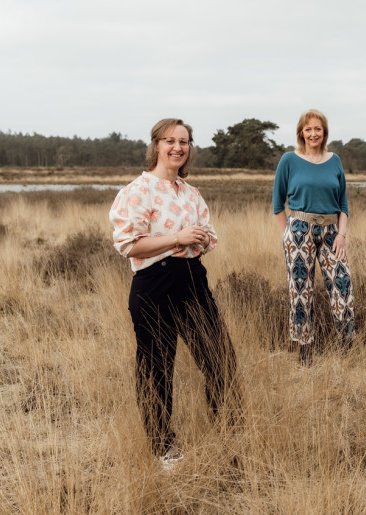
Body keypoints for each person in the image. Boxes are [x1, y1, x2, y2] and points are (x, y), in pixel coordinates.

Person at [110, 118, 240, 470]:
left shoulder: (191, 192)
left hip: (193, 279)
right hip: (154, 283)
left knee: (220, 360)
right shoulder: (139, 191)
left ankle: (231, 438)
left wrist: (197, 238)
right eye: (170, 141)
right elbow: (128, 244)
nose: (178, 148)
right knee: (156, 368)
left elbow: (209, 236)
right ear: (156, 145)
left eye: (184, 142)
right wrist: (178, 239)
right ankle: (163, 449)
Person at [272, 109, 355, 366]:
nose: (313, 133)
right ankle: (305, 348)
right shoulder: (289, 160)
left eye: (317, 128)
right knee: (301, 290)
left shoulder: (335, 160)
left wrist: (341, 234)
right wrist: (289, 234)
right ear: (301, 133)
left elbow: (343, 204)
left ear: (324, 132)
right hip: (299, 230)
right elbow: (277, 204)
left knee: (343, 284)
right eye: (308, 129)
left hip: (332, 232)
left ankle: (346, 345)